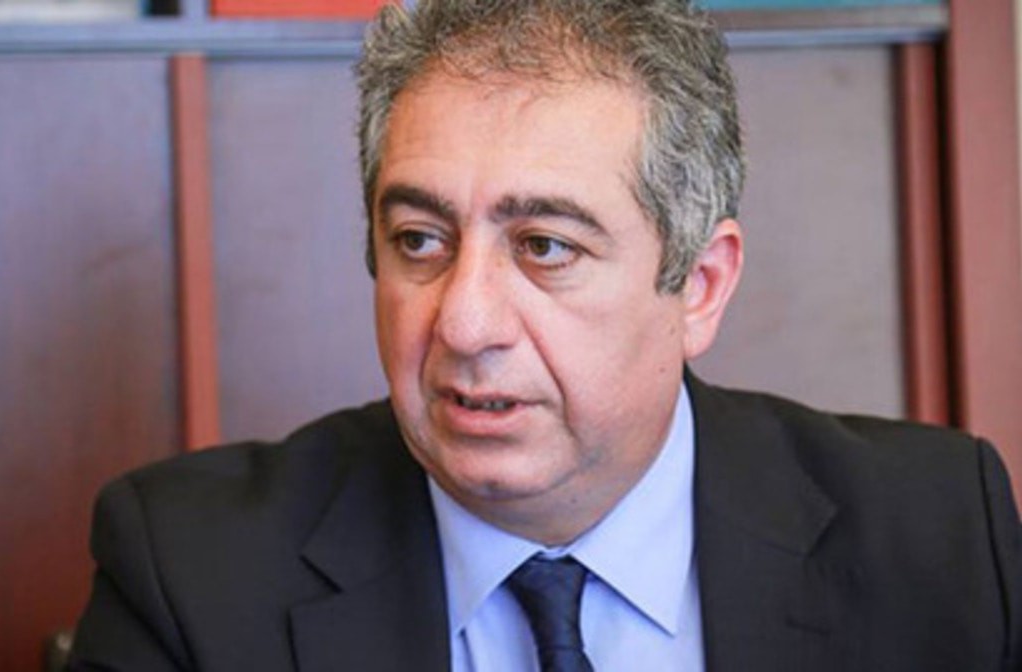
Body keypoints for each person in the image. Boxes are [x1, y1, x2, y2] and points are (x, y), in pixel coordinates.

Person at [67, 1, 1022, 670]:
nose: (465, 322)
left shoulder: (940, 539)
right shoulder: (190, 571)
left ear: (699, 286)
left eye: (545, 247)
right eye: (419, 241)